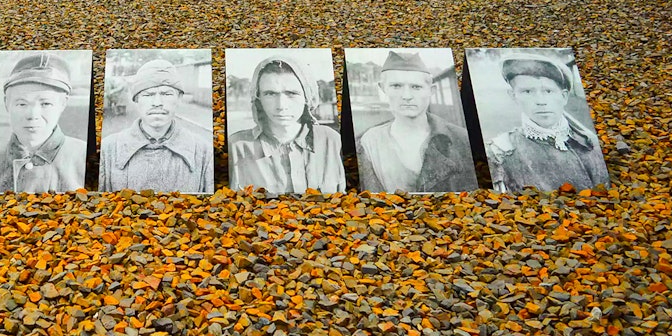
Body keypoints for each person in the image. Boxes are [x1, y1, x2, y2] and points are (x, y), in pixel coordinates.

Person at [357, 51, 477, 193]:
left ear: (431, 91)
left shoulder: (462, 139)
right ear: (383, 89)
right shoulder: (369, 142)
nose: (407, 96)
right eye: (396, 86)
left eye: (416, 87)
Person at [487, 52, 609, 192]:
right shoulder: (500, 152)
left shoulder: (591, 141)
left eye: (548, 91)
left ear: (563, 96)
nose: (540, 101)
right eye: (527, 92)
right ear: (514, 96)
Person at [0, 53, 87, 193]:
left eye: (45, 104)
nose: (32, 115)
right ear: (7, 103)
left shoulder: (85, 159)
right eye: (21, 104)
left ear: (63, 104)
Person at [228, 56, 345, 194]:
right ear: (258, 98)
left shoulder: (332, 141)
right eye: (270, 94)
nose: (281, 106)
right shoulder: (236, 147)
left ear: (307, 97)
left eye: (291, 93)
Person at [99, 59, 213, 193]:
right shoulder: (108, 150)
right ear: (136, 99)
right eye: (148, 94)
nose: (157, 102)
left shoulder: (204, 151)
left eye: (166, 94)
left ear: (179, 98)